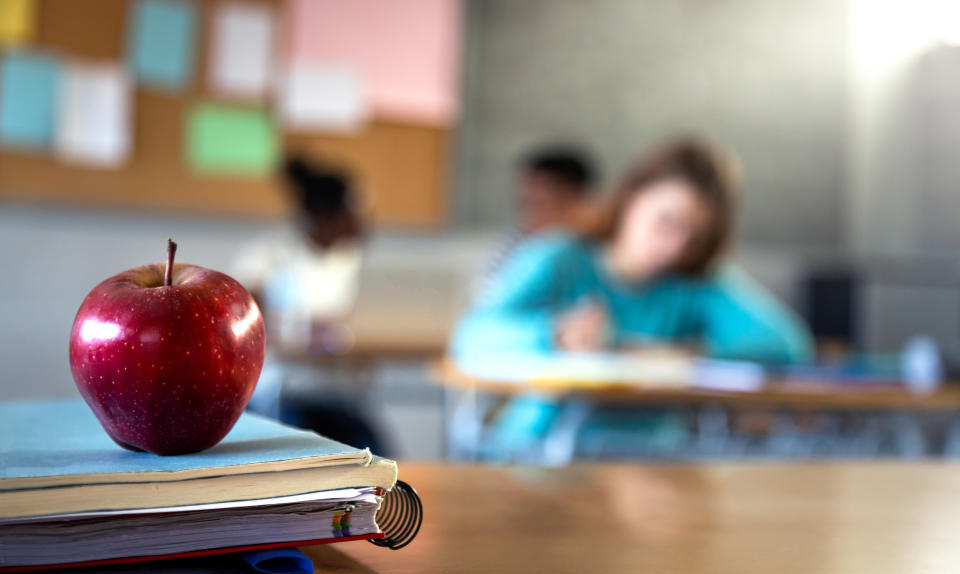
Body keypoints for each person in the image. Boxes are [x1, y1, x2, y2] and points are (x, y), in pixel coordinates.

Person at [452, 137, 814, 460]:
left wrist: (687, 354)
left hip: (651, 460)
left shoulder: (695, 281)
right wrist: (554, 335)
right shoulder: (561, 257)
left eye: (694, 236)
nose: (675, 246)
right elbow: (472, 337)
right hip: (541, 450)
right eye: (666, 221)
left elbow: (786, 343)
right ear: (632, 198)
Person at [234, 153, 387, 454]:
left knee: (379, 459)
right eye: (357, 210)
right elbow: (245, 326)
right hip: (287, 393)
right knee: (303, 451)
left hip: (340, 394)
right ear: (328, 214)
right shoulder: (269, 256)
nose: (367, 221)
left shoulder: (352, 261)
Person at [477, 146, 599, 290]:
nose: (529, 215)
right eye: (525, 203)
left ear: (578, 201)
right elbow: (487, 299)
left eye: (541, 204)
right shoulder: (514, 244)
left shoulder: (597, 251)